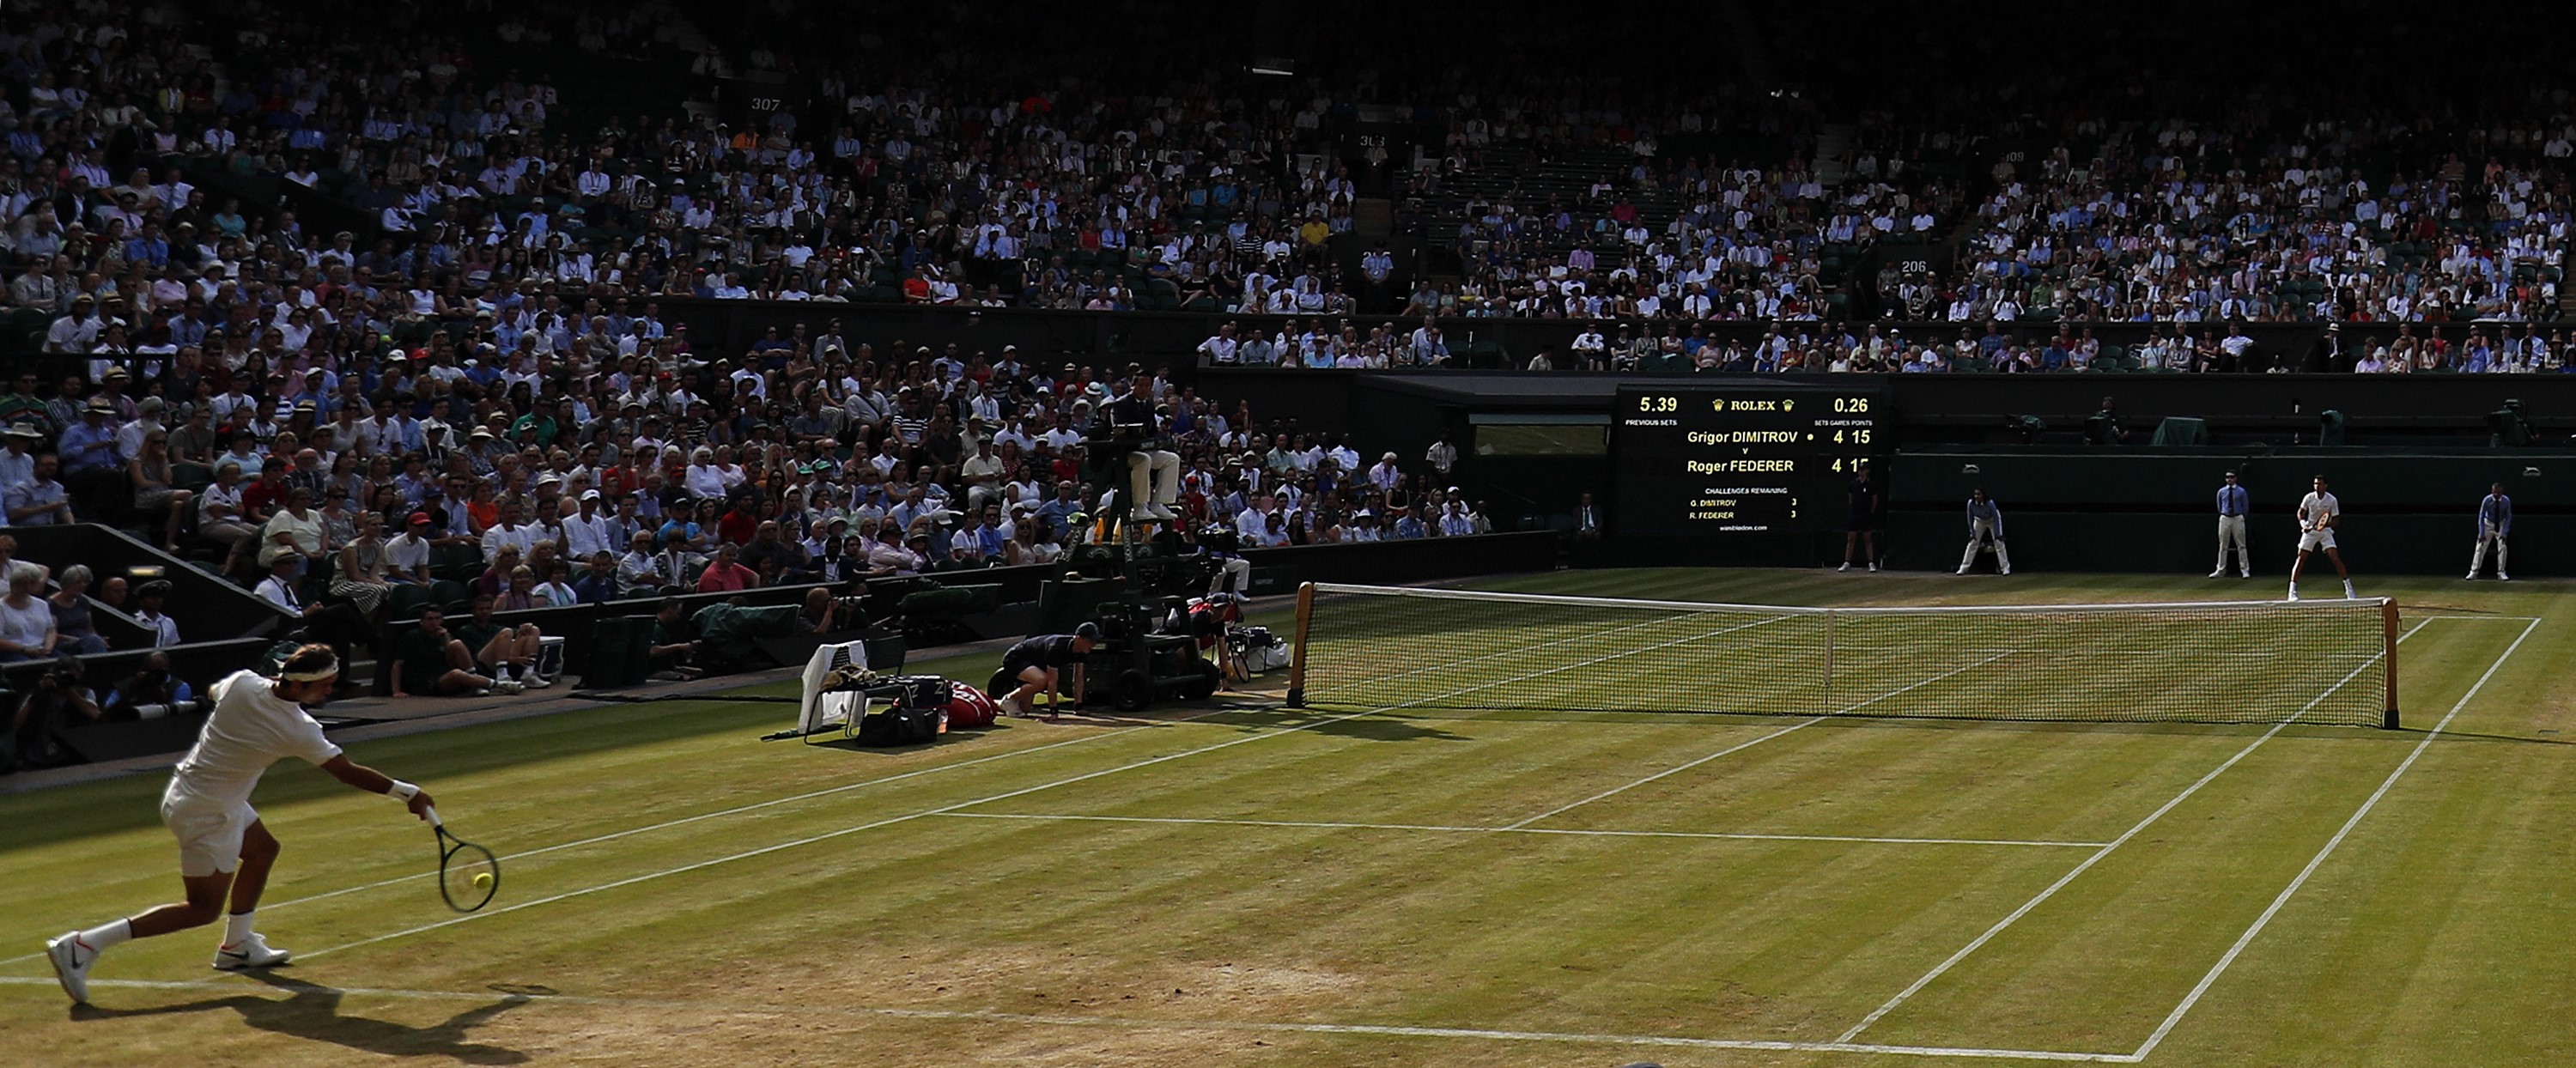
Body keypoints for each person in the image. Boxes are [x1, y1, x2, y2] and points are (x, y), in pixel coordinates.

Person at [45, 644, 438, 1004]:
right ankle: (82, 945)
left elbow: (217, 691)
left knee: (264, 849)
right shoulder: (297, 728)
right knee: (201, 909)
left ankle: (237, 946)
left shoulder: (242, 682)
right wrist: (408, 793)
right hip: (206, 811)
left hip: (200, 794)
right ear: (300, 685)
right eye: (326, 685)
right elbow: (346, 772)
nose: (330, 691)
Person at [391, 605, 505, 696]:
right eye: (430, 619)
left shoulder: (445, 635)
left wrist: (446, 637)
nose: (434, 622)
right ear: (422, 621)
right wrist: (397, 691)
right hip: (426, 682)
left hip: (446, 675)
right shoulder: (411, 637)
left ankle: (477, 683)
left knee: (457, 644)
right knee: (456, 674)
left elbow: (450, 659)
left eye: (437, 619)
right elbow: (398, 664)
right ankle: (501, 685)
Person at [994, 622, 1098, 719]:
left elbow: (1078, 679)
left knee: (1023, 709)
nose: (1094, 644)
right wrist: (1053, 711)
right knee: (1043, 680)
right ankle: (1009, 699)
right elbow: (1052, 682)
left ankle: (990, 704)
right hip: (1015, 659)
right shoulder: (1056, 648)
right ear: (1079, 639)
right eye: (1091, 641)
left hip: (1033, 667)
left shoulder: (1082, 652)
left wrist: (1078, 707)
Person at [453, 593, 548, 689]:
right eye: (481, 609)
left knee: (532, 630)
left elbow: (519, 632)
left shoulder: (495, 627)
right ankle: (502, 676)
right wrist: (513, 659)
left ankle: (528, 673)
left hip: (505, 661)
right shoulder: (466, 630)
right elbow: (474, 657)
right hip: (483, 666)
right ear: (473, 611)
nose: (485, 611)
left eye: (488, 608)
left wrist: (525, 626)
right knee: (507, 632)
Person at [2288, 475, 2356, 601]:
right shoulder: (2309, 497)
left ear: (2325, 486)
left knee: (2335, 558)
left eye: (2319, 484)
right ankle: (2292, 591)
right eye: (2315, 484)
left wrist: (2324, 524)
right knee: (2301, 558)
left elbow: (2336, 521)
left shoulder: (2332, 500)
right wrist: (2304, 525)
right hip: (2310, 532)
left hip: (2325, 532)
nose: (2317, 486)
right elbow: (2300, 513)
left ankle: (2349, 590)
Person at [0, 561, 60, 662]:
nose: (27, 587)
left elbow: (50, 630)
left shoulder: (42, 604)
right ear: (12, 583)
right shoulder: (1, 607)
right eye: (22, 583)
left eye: (32, 583)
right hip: (13, 653)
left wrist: (48, 647)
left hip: (40, 649)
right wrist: (25, 650)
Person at [49, 564, 111, 655]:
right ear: (68, 583)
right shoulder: (51, 604)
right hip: (64, 643)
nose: (82, 585)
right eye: (78, 582)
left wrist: (99, 638)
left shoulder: (83, 601)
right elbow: (52, 634)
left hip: (86, 640)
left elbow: (90, 628)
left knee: (95, 640)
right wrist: (78, 640)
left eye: (85, 582)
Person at [1956, 488, 2011, 575]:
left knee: (1999, 543)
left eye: (1979, 494)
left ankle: (2005, 568)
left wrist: (1997, 534)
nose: (1976, 496)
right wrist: (1972, 532)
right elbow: (1970, 517)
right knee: (1972, 543)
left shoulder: (1990, 504)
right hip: (1979, 521)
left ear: (1983, 495)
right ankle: (1963, 568)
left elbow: (1996, 518)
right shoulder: (1971, 503)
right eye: (1975, 494)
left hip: (1992, 520)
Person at [1838, 459, 1880, 573]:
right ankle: (1847, 562)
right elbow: (1850, 499)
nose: (1861, 472)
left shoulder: (1872, 485)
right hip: (1855, 514)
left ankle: (1871, 563)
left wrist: (1869, 512)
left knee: (1867, 539)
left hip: (1865, 514)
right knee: (1851, 538)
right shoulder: (1853, 484)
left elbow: (1874, 501)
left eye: (1863, 470)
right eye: (1860, 470)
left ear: (1867, 471)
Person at [2211, 470, 2251, 579]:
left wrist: (2241, 516)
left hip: (2237, 518)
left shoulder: (2241, 492)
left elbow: (2245, 506)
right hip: (2225, 518)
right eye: (2227, 477)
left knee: (2241, 545)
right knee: (2223, 545)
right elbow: (2220, 506)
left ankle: (2245, 570)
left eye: (2232, 477)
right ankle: (2220, 570)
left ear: (2235, 478)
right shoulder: (2221, 491)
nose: (2229, 479)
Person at [2470, 482, 2512, 581]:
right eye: (2494, 492)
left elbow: (2508, 517)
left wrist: (2505, 533)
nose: (2496, 495)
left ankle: (2501, 572)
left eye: (2498, 492)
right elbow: (2481, 516)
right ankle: (2474, 572)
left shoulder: (2506, 501)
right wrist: (2481, 532)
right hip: (2488, 523)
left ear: (2501, 492)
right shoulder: (2487, 500)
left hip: (2501, 523)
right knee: (2480, 547)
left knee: (2503, 547)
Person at [132, 580, 182, 646]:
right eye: (152, 597)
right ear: (141, 600)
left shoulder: (169, 622)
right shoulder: (134, 620)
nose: (156, 600)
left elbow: (173, 646)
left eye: (160, 597)